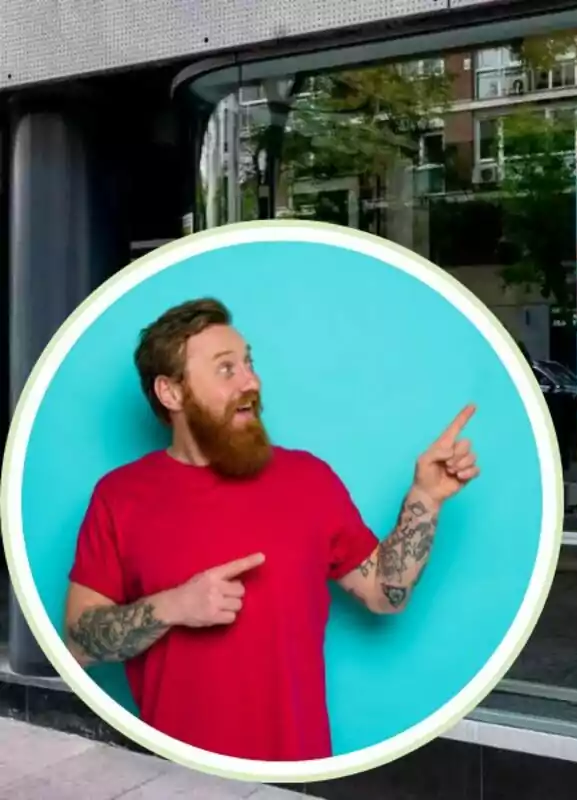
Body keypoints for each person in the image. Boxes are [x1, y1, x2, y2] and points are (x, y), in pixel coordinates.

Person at [63, 297, 480, 762]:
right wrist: (174, 605)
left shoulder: (308, 480)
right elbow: (79, 644)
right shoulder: (120, 496)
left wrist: (425, 497)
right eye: (226, 369)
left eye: (248, 363)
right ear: (172, 393)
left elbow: (386, 593)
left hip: (295, 770)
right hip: (173, 776)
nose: (251, 382)